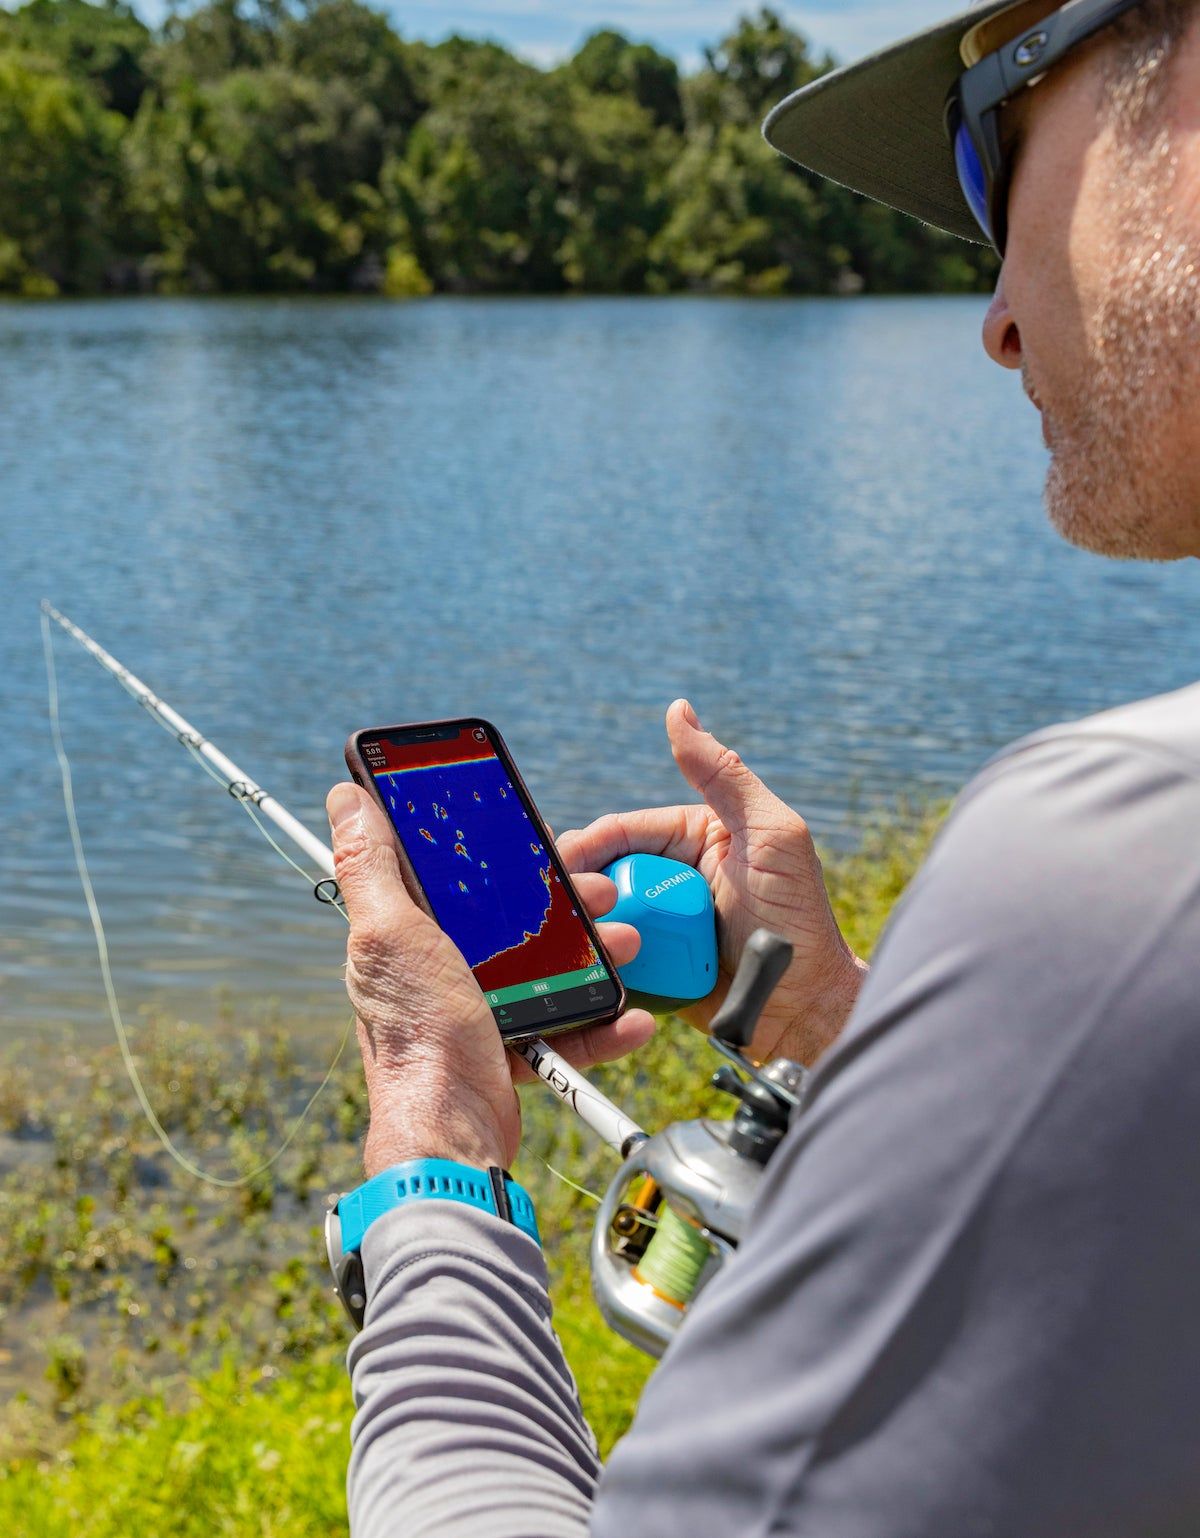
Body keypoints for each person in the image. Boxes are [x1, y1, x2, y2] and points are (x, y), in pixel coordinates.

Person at [327, 2, 1200, 1532]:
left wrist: (435, 1150)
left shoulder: (1124, 862)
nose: (994, 314)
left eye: (989, 155)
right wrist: (824, 1022)